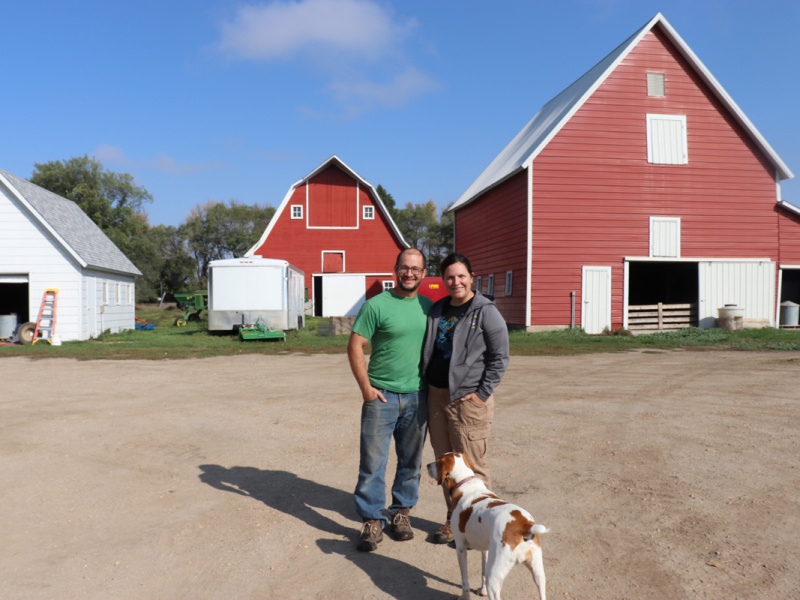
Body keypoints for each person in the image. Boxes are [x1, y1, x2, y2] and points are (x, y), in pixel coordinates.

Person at [347, 248, 433, 552]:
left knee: (411, 461)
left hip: (417, 396)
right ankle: (372, 519)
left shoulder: (429, 307)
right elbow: (355, 345)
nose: (409, 273)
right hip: (381, 397)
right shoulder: (376, 305)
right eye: (404, 268)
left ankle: (401, 513)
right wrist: (366, 388)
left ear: (424, 273)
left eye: (415, 269)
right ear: (395, 270)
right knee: (372, 462)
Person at [421, 252, 510, 544]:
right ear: (443, 280)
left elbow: (500, 357)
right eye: (449, 277)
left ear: (472, 277)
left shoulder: (485, 310)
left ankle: (483, 525)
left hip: (468, 401)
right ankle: (453, 521)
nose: (455, 281)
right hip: (436, 396)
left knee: (473, 466)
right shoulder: (438, 309)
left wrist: (482, 394)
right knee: (446, 468)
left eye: (461, 276)